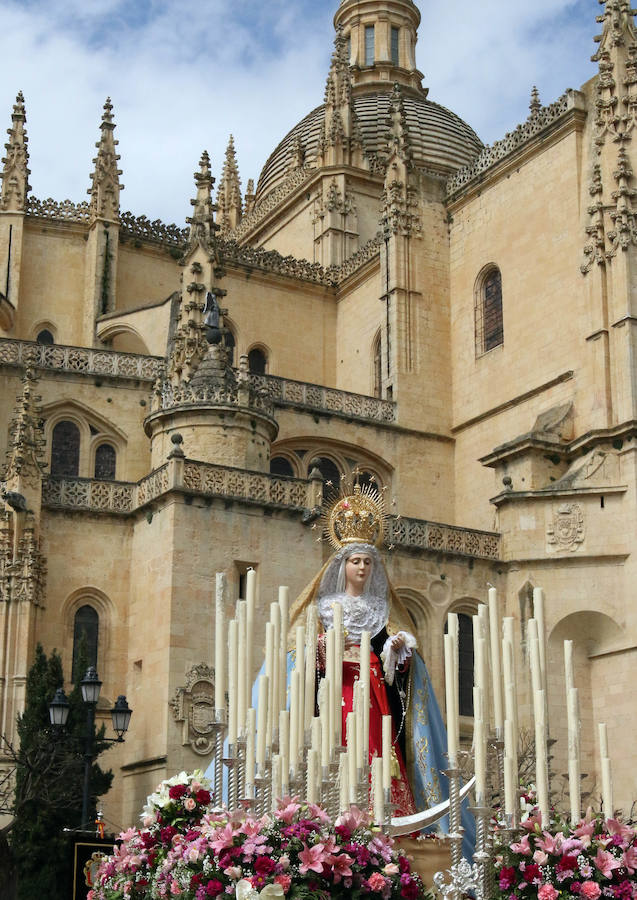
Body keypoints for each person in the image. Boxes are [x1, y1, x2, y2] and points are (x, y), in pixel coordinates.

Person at [288, 483, 471, 847]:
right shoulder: (322, 608)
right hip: (337, 690)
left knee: (377, 748)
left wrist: (397, 652)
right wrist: (325, 646)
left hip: (374, 691)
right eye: (355, 561)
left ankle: (385, 817)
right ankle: (332, 811)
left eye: (367, 562)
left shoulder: (382, 610)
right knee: (338, 745)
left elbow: (402, 671)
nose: (362, 568)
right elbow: (298, 655)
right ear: (342, 565)